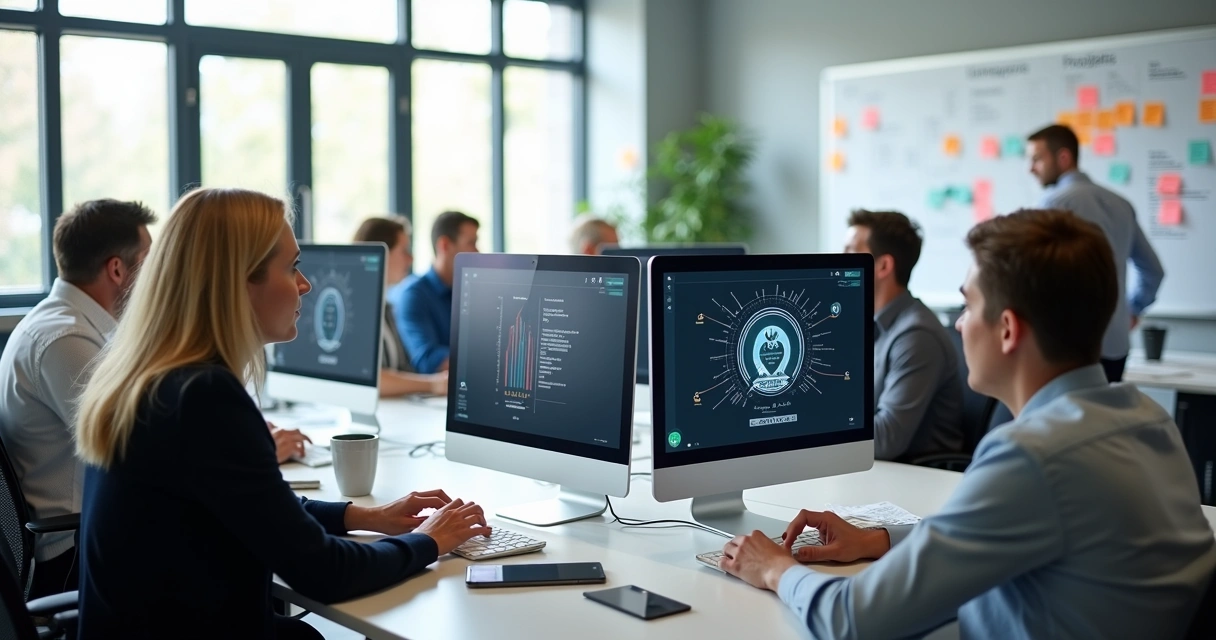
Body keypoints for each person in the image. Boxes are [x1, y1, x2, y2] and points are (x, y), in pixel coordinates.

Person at [719, 209, 1215, 639]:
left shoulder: (1032, 458)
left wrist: (775, 569)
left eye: (969, 305)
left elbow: (851, 621)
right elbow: (1008, 530)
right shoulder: (1148, 419)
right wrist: (879, 538)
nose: (958, 323)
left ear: (1007, 330)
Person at [74, 188, 491, 639]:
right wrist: (427, 540)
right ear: (237, 282)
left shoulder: (152, 376)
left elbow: (261, 508)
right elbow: (324, 571)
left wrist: (364, 516)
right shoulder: (203, 397)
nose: (305, 284)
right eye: (292, 267)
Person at [0, 199, 155, 599]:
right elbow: (136, 448)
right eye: (150, 261)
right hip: (73, 556)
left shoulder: (73, 325)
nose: (158, 275)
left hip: (92, 535)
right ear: (117, 270)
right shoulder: (65, 340)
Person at [1028, 124, 1164, 382]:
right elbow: (1153, 270)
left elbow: (1031, 276)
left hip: (1068, 348)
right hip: (1116, 345)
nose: (1031, 168)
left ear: (1063, 157)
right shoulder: (1121, 204)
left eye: (1037, 159)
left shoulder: (1052, 204)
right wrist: (1131, 310)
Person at [842, 210, 962, 460]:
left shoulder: (916, 336)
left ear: (883, 266)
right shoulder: (870, 324)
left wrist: (819, 426)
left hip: (915, 473)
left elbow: (886, 438)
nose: (840, 261)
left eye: (850, 251)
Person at [353, 216, 448, 397]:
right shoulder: (353, 310)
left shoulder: (387, 308)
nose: (410, 259)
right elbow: (367, 378)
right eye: (404, 250)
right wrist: (433, 384)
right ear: (382, 253)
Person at [388, 210, 480, 374]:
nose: (477, 251)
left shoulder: (472, 292)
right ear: (445, 245)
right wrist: (486, 361)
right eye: (471, 243)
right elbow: (427, 360)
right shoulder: (414, 295)